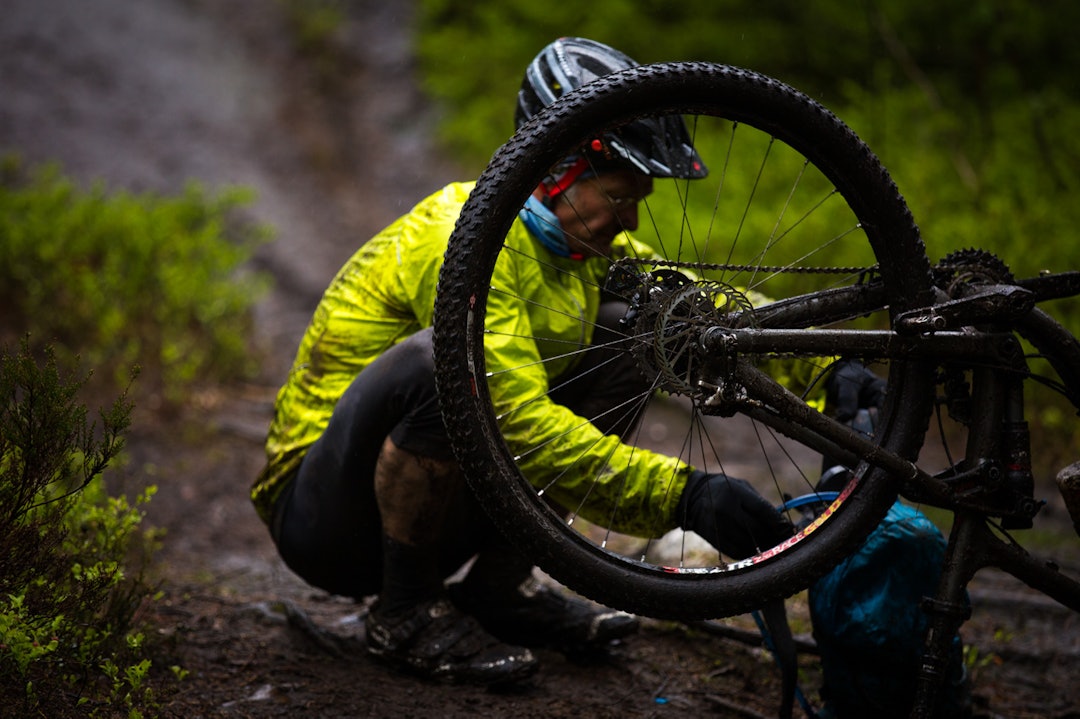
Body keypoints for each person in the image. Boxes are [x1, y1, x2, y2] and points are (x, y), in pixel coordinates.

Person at [252, 37, 797, 686]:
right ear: (563, 167)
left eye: (638, 204)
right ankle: (405, 612)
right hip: (324, 520)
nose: (627, 222)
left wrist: (828, 367)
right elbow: (518, 422)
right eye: (620, 196)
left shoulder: (580, 249)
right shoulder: (463, 234)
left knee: (637, 331)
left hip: (443, 507)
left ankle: (497, 591)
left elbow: (703, 313)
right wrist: (686, 496)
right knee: (442, 365)